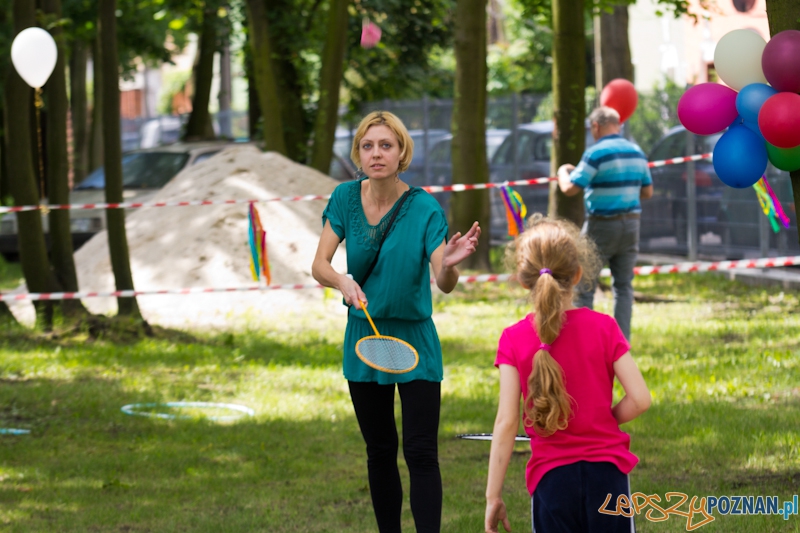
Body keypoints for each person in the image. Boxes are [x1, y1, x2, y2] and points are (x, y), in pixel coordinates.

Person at [311, 110, 481, 533]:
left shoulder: (424, 207)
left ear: (402, 151)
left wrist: (452, 264)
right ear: (358, 154)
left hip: (415, 341)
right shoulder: (345, 199)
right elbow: (319, 265)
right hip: (364, 339)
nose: (376, 154)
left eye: (386, 145)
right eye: (368, 146)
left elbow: (444, 282)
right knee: (380, 450)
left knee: (421, 452)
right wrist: (342, 281)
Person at [484, 215, 651, 533]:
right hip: (608, 476)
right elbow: (640, 399)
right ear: (577, 275)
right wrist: (605, 418)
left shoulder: (512, 339)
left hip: (552, 481)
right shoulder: (605, 328)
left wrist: (493, 496)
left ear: (523, 280)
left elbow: (506, 423)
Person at [557, 106, 653, 341]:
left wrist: (562, 171)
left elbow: (570, 188)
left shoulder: (595, 153)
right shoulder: (636, 151)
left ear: (596, 126)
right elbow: (648, 192)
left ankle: (584, 341)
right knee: (623, 286)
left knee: (585, 283)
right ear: (617, 125)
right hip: (631, 225)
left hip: (601, 225)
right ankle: (622, 344)